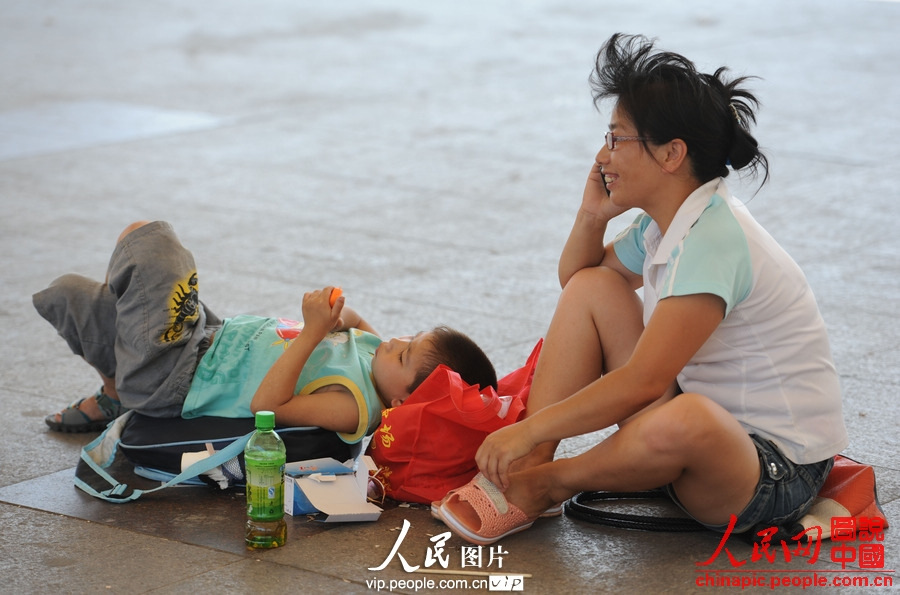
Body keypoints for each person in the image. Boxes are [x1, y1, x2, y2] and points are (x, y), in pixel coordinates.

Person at [435, 33, 848, 545]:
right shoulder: (666, 221)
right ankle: (523, 469)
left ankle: (544, 484)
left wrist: (527, 426)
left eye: (616, 139)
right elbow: (580, 284)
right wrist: (592, 216)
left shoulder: (714, 239)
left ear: (672, 153)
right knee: (595, 287)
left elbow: (645, 383)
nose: (602, 156)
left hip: (771, 475)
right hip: (695, 443)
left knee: (687, 416)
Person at [35, 220, 497, 446]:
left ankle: (133, 385)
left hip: (177, 378)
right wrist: (338, 313)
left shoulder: (356, 403)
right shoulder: (380, 359)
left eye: (404, 356)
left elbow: (267, 407)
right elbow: (356, 325)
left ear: (402, 405)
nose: (394, 344)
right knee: (68, 296)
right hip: (207, 335)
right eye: (408, 338)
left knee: (153, 243)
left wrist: (314, 333)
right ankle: (117, 388)